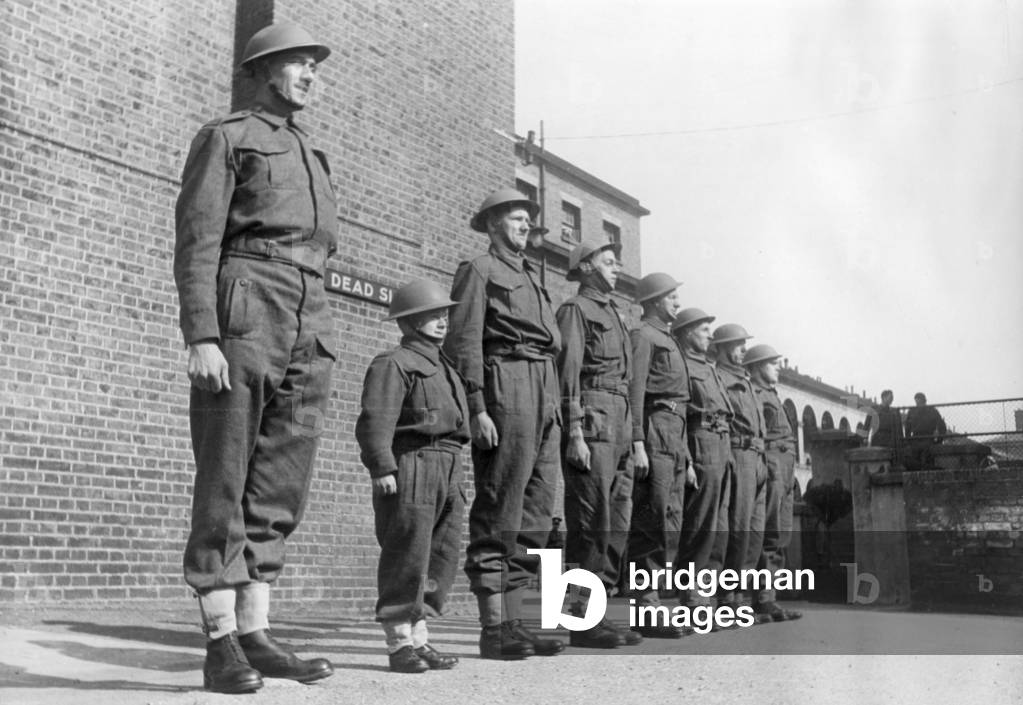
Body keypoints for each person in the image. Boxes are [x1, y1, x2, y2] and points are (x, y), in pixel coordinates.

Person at [173, 22, 338, 693]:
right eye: (296, 63)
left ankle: (256, 630)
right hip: (247, 298)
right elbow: (197, 240)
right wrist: (202, 334)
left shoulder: (311, 153)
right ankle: (219, 641)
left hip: (308, 310)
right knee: (226, 471)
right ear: (265, 71)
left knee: (280, 477)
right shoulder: (228, 135)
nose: (308, 73)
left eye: (312, 65)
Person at [443, 188, 565, 660]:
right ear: (493, 224)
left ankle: (515, 620)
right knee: (500, 508)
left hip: (544, 389)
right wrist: (476, 407)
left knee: (534, 514)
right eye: (515, 219)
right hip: (505, 383)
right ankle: (494, 626)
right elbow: (465, 341)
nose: (524, 228)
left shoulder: (532, 278)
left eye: (526, 221)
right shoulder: (479, 270)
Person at [355, 279, 469, 674]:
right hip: (414, 464)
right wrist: (382, 466)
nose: (441, 321)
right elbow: (375, 420)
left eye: (444, 314)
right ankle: (399, 643)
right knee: (407, 554)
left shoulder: (445, 367)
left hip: (449, 465)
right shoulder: (394, 363)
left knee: (439, 556)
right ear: (408, 322)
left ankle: (420, 639)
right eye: (431, 315)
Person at [555, 240, 640, 648]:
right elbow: (568, 374)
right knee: (591, 524)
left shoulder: (616, 314)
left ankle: (599, 614)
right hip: (593, 418)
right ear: (586, 267)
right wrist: (573, 431)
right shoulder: (576, 310)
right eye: (608, 262)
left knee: (616, 525)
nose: (616, 267)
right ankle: (578, 620)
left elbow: (629, 383)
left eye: (617, 261)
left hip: (620, 420)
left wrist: (636, 438)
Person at [625, 273, 694, 639]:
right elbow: (635, 392)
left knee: (671, 519)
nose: (677, 303)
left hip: (675, 431)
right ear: (653, 301)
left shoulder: (668, 339)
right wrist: (637, 441)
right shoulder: (643, 336)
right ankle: (646, 605)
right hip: (654, 428)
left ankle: (654, 604)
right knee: (650, 519)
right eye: (671, 297)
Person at [672, 308, 733, 617]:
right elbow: (679, 412)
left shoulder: (708, 367)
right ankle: (694, 596)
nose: (711, 334)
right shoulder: (681, 363)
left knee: (720, 525)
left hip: (723, 442)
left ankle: (709, 596)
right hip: (702, 439)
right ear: (686, 333)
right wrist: (687, 456)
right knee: (701, 524)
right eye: (704, 329)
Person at [711, 324, 767, 615]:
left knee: (754, 532)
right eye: (737, 344)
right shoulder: (718, 376)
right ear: (720, 348)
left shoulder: (744, 379)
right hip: (738, 453)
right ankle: (726, 597)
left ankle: (740, 597)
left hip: (757, 456)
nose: (743, 349)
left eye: (744, 344)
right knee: (737, 528)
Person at [745, 344, 802, 622]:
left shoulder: (771, 394)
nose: (778, 367)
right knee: (768, 532)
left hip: (787, 462)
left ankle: (769, 598)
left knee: (780, 535)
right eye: (772, 363)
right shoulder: (754, 393)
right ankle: (760, 599)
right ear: (757, 367)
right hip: (772, 462)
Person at [904, 392, 948, 471]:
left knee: (925, 461)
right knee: (917, 462)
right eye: (917, 402)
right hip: (918, 439)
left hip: (926, 438)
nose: (918, 404)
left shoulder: (931, 411)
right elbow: (907, 427)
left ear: (923, 401)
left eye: (919, 402)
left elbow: (942, 427)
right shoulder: (914, 411)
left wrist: (939, 440)